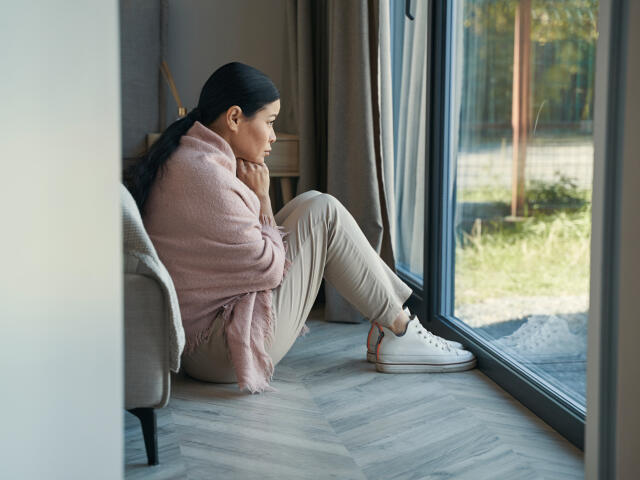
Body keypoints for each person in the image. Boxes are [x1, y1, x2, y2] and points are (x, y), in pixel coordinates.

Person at [124, 62, 476, 394]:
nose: (273, 136)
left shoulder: (188, 156)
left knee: (313, 203)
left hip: (202, 342)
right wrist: (261, 197)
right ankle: (400, 331)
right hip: (219, 353)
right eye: (270, 121)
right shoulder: (207, 177)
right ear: (234, 117)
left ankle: (394, 327)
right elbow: (270, 270)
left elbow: (250, 252)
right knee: (323, 212)